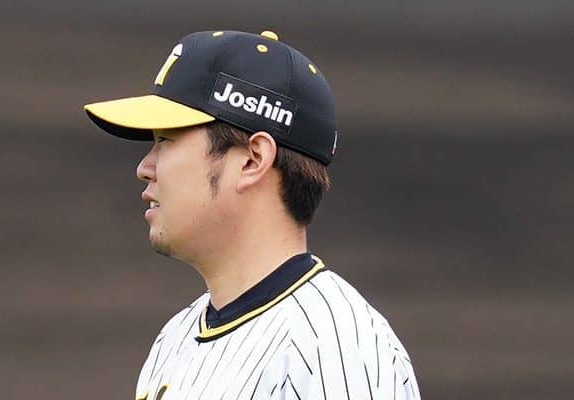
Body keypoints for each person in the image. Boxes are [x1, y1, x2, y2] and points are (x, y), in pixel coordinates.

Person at [84, 29, 420, 400]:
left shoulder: (334, 349)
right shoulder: (175, 338)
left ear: (252, 160)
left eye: (166, 139)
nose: (145, 168)